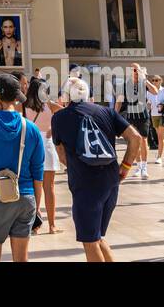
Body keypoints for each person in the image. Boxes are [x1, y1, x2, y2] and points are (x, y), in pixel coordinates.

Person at [50, 77, 142, 262]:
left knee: (90, 241)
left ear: (66, 96)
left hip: (85, 186)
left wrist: (79, 166)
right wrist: (125, 166)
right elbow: (136, 137)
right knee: (98, 237)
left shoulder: (59, 118)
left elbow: (62, 157)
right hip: (110, 182)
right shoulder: (107, 112)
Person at [0, 75, 45, 262]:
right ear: (16, 97)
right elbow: (38, 172)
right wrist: (37, 207)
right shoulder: (32, 128)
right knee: (21, 258)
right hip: (26, 197)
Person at [20, 76, 61, 233]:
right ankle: (52, 225)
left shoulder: (23, 106)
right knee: (49, 188)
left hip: (31, 146)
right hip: (47, 146)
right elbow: (67, 113)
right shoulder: (49, 105)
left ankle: (34, 225)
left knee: (32, 187)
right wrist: (53, 128)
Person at [117, 63, 152, 179]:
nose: (136, 72)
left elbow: (155, 91)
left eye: (137, 70)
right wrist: (114, 115)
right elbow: (119, 101)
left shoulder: (143, 83)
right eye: (133, 70)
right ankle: (138, 166)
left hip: (143, 116)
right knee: (135, 141)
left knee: (143, 141)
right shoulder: (124, 85)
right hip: (131, 116)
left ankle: (145, 167)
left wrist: (145, 80)